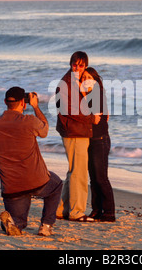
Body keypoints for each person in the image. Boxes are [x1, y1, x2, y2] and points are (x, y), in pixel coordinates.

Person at [0, 86, 63, 236]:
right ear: (23, 103)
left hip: (11, 185)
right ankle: (46, 226)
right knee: (56, 185)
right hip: (35, 180)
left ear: (5, 102)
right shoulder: (29, 121)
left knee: (19, 223)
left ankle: (13, 222)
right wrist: (36, 107)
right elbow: (44, 130)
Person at [55, 51, 100, 222]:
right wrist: (92, 118)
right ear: (70, 64)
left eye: (81, 65)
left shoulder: (78, 81)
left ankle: (61, 209)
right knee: (79, 173)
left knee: (74, 171)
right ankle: (76, 212)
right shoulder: (65, 83)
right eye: (75, 64)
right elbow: (70, 109)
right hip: (74, 131)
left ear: (86, 66)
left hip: (77, 130)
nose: (78, 68)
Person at [81, 67, 116, 222]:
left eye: (89, 77)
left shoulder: (97, 95)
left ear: (95, 80)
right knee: (93, 178)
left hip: (100, 140)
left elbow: (95, 118)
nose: (86, 79)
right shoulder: (87, 95)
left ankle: (109, 212)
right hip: (90, 140)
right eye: (83, 77)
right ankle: (96, 210)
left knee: (101, 177)